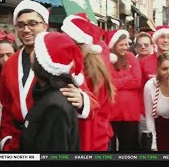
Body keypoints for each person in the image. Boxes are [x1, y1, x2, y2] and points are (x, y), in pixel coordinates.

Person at [0, 0, 98, 151]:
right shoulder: (10, 63)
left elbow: (93, 103)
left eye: (33, 23)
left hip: (49, 139)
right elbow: (6, 106)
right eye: (20, 25)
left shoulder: (59, 57)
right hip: (17, 143)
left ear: (45, 25)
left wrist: (82, 99)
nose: (26, 29)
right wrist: (6, 140)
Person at [61, 13, 116, 151]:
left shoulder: (93, 72)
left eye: (75, 45)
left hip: (93, 142)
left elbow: (95, 113)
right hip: (91, 140)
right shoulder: (73, 65)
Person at [20, 32, 81, 151]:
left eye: (36, 49)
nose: (32, 51)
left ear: (42, 62)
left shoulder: (55, 107)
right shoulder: (48, 94)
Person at [104, 29, 142, 151]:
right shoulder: (107, 60)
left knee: (129, 148)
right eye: (121, 45)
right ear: (113, 45)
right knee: (110, 148)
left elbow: (137, 81)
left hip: (130, 113)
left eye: (127, 44)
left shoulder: (131, 57)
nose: (125, 47)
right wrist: (128, 78)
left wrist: (118, 82)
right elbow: (109, 84)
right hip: (112, 112)